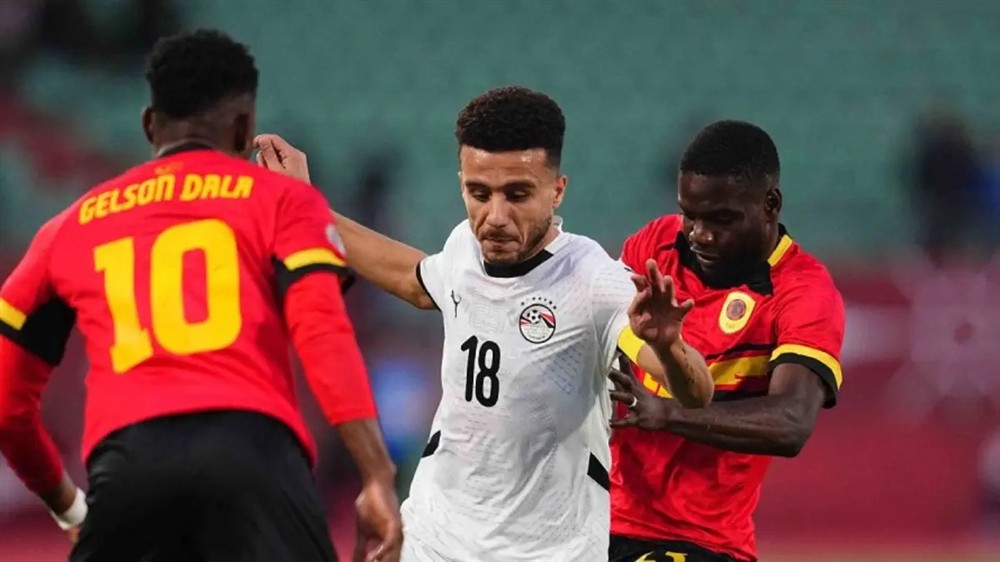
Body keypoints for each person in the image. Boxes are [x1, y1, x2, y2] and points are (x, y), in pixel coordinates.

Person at [253, 86, 716, 562]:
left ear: (557, 191)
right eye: (479, 193)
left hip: (548, 550)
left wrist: (668, 346)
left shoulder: (593, 280)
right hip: (436, 534)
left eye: (518, 194)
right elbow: (415, 280)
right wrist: (308, 207)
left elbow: (694, 392)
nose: (495, 216)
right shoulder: (465, 247)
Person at [0, 29, 402, 562]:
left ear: (149, 124)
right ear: (244, 127)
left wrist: (68, 507)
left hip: (128, 468)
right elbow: (322, 331)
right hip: (253, 456)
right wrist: (376, 474)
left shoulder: (68, 227)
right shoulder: (284, 200)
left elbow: (7, 407)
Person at [606, 120, 846, 562]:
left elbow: (791, 422)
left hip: (698, 541)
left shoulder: (802, 292)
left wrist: (667, 413)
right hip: (593, 517)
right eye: (690, 215)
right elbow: (603, 334)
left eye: (721, 219)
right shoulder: (657, 246)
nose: (700, 234)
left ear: (770, 204)